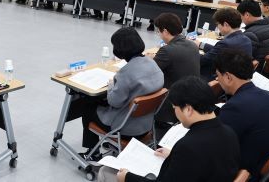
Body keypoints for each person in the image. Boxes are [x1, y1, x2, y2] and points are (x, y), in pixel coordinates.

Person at [100, 76, 240, 182]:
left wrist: (127, 177)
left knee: (105, 172)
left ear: (188, 109)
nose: (175, 114)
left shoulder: (188, 146)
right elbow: (205, 162)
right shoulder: (229, 133)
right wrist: (174, 156)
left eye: (175, 108)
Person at [80, 28, 163, 157]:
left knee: (87, 107)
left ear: (120, 49)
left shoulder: (126, 72)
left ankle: (93, 153)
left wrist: (111, 85)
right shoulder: (153, 64)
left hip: (125, 129)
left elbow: (114, 102)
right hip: (146, 126)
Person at [215, 49, 269, 181]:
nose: (217, 79)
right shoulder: (268, 95)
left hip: (247, 172)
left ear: (228, 77)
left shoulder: (234, 108)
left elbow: (216, 148)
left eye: (218, 75)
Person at [150, 13, 200, 124]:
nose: (159, 34)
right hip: (191, 97)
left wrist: (148, 60)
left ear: (165, 31)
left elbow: (149, 72)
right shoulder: (192, 45)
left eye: (158, 31)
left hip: (170, 103)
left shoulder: (167, 50)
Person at [197, 7, 252, 79]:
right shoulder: (246, 40)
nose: (217, 27)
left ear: (226, 24)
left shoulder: (225, 44)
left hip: (217, 78)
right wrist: (201, 44)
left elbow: (202, 60)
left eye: (218, 24)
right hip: (236, 77)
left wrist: (190, 50)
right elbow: (217, 51)